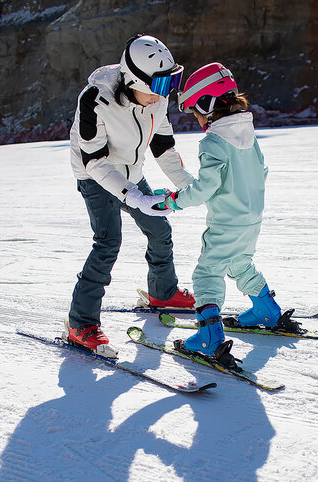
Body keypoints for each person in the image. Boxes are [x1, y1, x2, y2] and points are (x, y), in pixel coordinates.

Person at [157, 62, 295, 364]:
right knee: (240, 263)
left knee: (207, 273)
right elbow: (260, 173)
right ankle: (266, 310)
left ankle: (208, 337)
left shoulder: (214, 141)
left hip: (225, 224)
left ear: (206, 104)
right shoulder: (249, 134)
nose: (195, 118)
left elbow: (206, 188)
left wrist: (173, 201)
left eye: (194, 110)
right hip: (251, 219)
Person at [67, 34, 196, 357]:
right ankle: (80, 323)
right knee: (108, 241)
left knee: (159, 229)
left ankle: (163, 293)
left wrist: (191, 186)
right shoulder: (95, 100)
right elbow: (94, 161)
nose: (162, 97)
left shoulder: (156, 96)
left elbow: (163, 147)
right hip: (96, 175)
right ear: (134, 80)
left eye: (168, 87)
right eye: (157, 89)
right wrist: (133, 196)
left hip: (131, 172)